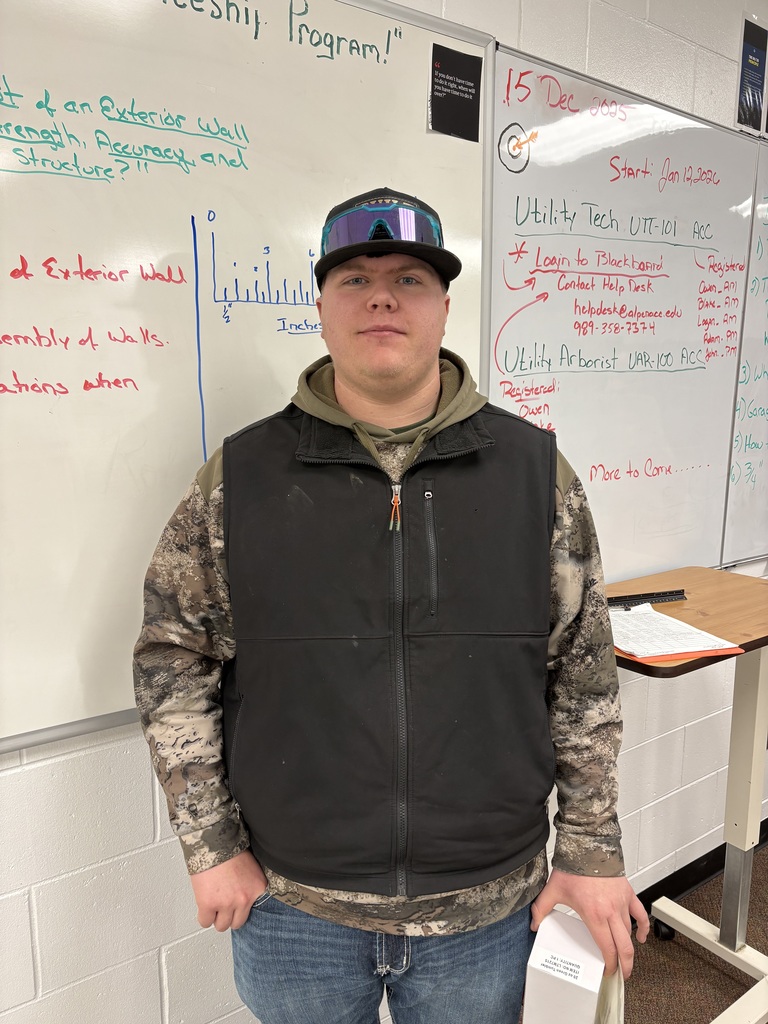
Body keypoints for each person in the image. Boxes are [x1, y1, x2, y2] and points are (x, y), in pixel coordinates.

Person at [133, 187, 649, 1024]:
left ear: (444, 307)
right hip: (294, 905)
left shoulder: (536, 475)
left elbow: (583, 678)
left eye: (409, 278)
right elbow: (172, 659)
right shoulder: (239, 480)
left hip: (484, 909)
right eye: (354, 278)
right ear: (323, 308)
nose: (381, 296)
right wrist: (209, 843)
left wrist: (591, 850)